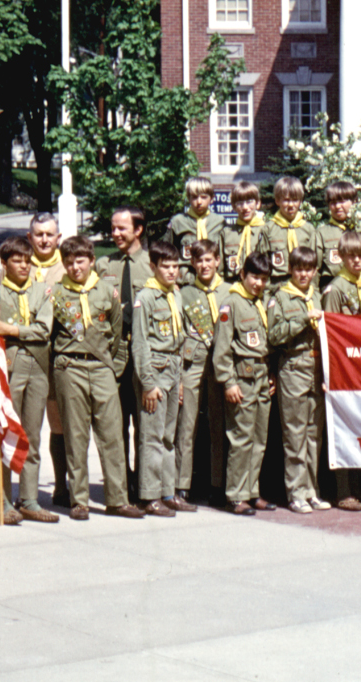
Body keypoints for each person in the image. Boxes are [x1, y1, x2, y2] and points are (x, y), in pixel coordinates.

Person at [51, 236, 145, 520]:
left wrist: (112, 368)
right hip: (70, 368)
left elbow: (117, 334)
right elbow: (50, 334)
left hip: (102, 368)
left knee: (112, 435)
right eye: (68, 262)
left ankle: (117, 499)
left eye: (80, 261)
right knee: (75, 435)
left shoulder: (107, 291)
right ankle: (79, 500)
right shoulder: (56, 294)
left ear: (92, 261)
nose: (74, 267)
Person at [0, 236, 57, 523]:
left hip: (38, 368)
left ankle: (29, 498)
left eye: (27, 261)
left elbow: (44, 330)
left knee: (31, 434)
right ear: (4, 264)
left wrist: (11, 329)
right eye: (16, 261)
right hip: (8, 369)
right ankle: (4, 498)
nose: (23, 266)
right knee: (6, 433)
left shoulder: (41, 291)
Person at [96, 206, 153, 501]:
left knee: (145, 423)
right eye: (113, 228)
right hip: (114, 355)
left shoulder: (153, 263)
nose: (115, 233)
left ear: (138, 230)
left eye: (122, 228)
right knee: (115, 424)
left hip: (144, 354)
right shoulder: (104, 265)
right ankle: (120, 486)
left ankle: (145, 486)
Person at [133, 241, 193, 517]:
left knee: (169, 436)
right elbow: (140, 343)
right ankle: (149, 494)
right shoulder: (146, 297)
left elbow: (179, 340)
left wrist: (179, 379)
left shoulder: (175, 295)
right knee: (151, 435)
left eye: (175, 266)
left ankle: (168, 492)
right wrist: (148, 383)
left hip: (172, 368)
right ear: (153, 267)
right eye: (165, 267)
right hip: (154, 371)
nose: (172, 272)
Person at [213, 253, 275, 516]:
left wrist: (269, 372)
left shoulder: (259, 302)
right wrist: (228, 382)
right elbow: (221, 349)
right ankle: (236, 495)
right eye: (254, 277)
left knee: (259, 438)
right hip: (242, 378)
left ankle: (252, 491)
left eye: (263, 278)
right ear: (242, 275)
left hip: (261, 375)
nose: (258, 283)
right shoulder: (232, 304)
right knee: (241, 437)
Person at [268, 246, 329, 514]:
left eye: (309, 269)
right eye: (299, 269)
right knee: (294, 434)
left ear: (315, 271)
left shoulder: (320, 295)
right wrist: (304, 319)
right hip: (293, 366)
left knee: (314, 434)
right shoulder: (280, 297)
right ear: (290, 270)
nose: (304, 274)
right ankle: (295, 493)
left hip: (317, 366)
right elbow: (274, 334)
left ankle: (311, 490)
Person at [177, 239, 230, 504]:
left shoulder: (230, 292)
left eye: (209, 260)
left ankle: (218, 484)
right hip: (193, 362)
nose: (204, 265)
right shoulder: (184, 293)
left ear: (218, 261)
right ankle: (182, 485)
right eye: (198, 261)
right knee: (187, 425)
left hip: (221, 364)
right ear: (193, 264)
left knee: (218, 426)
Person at [322, 230, 361, 511]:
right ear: (340, 257)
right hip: (344, 366)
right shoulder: (336, 288)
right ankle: (344, 490)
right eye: (351, 256)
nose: (357, 261)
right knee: (344, 426)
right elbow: (330, 333)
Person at [26, 212, 69, 507]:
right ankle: (26, 491)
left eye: (49, 234)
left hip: (55, 358)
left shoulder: (66, 270)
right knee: (27, 426)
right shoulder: (17, 267)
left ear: (58, 238)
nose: (44, 239)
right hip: (25, 357)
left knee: (58, 424)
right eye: (38, 234)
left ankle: (60, 485)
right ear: (30, 238)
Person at [316, 181, 361, 290]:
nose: (337, 206)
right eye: (332, 202)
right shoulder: (321, 233)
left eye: (342, 201)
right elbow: (314, 270)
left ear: (354, 201)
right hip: (334, 290)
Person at [260, 176, 318, 291]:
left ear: (300, 201)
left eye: (295, 200)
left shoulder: (308, 229)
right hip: (277, 286)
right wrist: (266, 290)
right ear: (277, 201)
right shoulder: (268, 229)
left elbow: (315, 264)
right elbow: (263, 263)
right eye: (286, 200)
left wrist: (314, 290)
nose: (291, 205)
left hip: (303, 287)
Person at [164, 176, 225, 285]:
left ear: (212, 198)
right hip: (186, 280)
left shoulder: (219, 222)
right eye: (194, 197)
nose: (199, 202)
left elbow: (223, 253)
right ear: (188, 198)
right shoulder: (178, 222)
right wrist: (172, 282)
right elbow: (166, 253)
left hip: (213, 280)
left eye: (203, 197)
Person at [221, 181, 266, 282]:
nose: (245, 207)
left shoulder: (266, 231)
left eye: (249, 201)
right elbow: (220, 270)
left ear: (258, 203)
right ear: (233, 206)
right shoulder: (227, 233)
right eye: (240, 203)